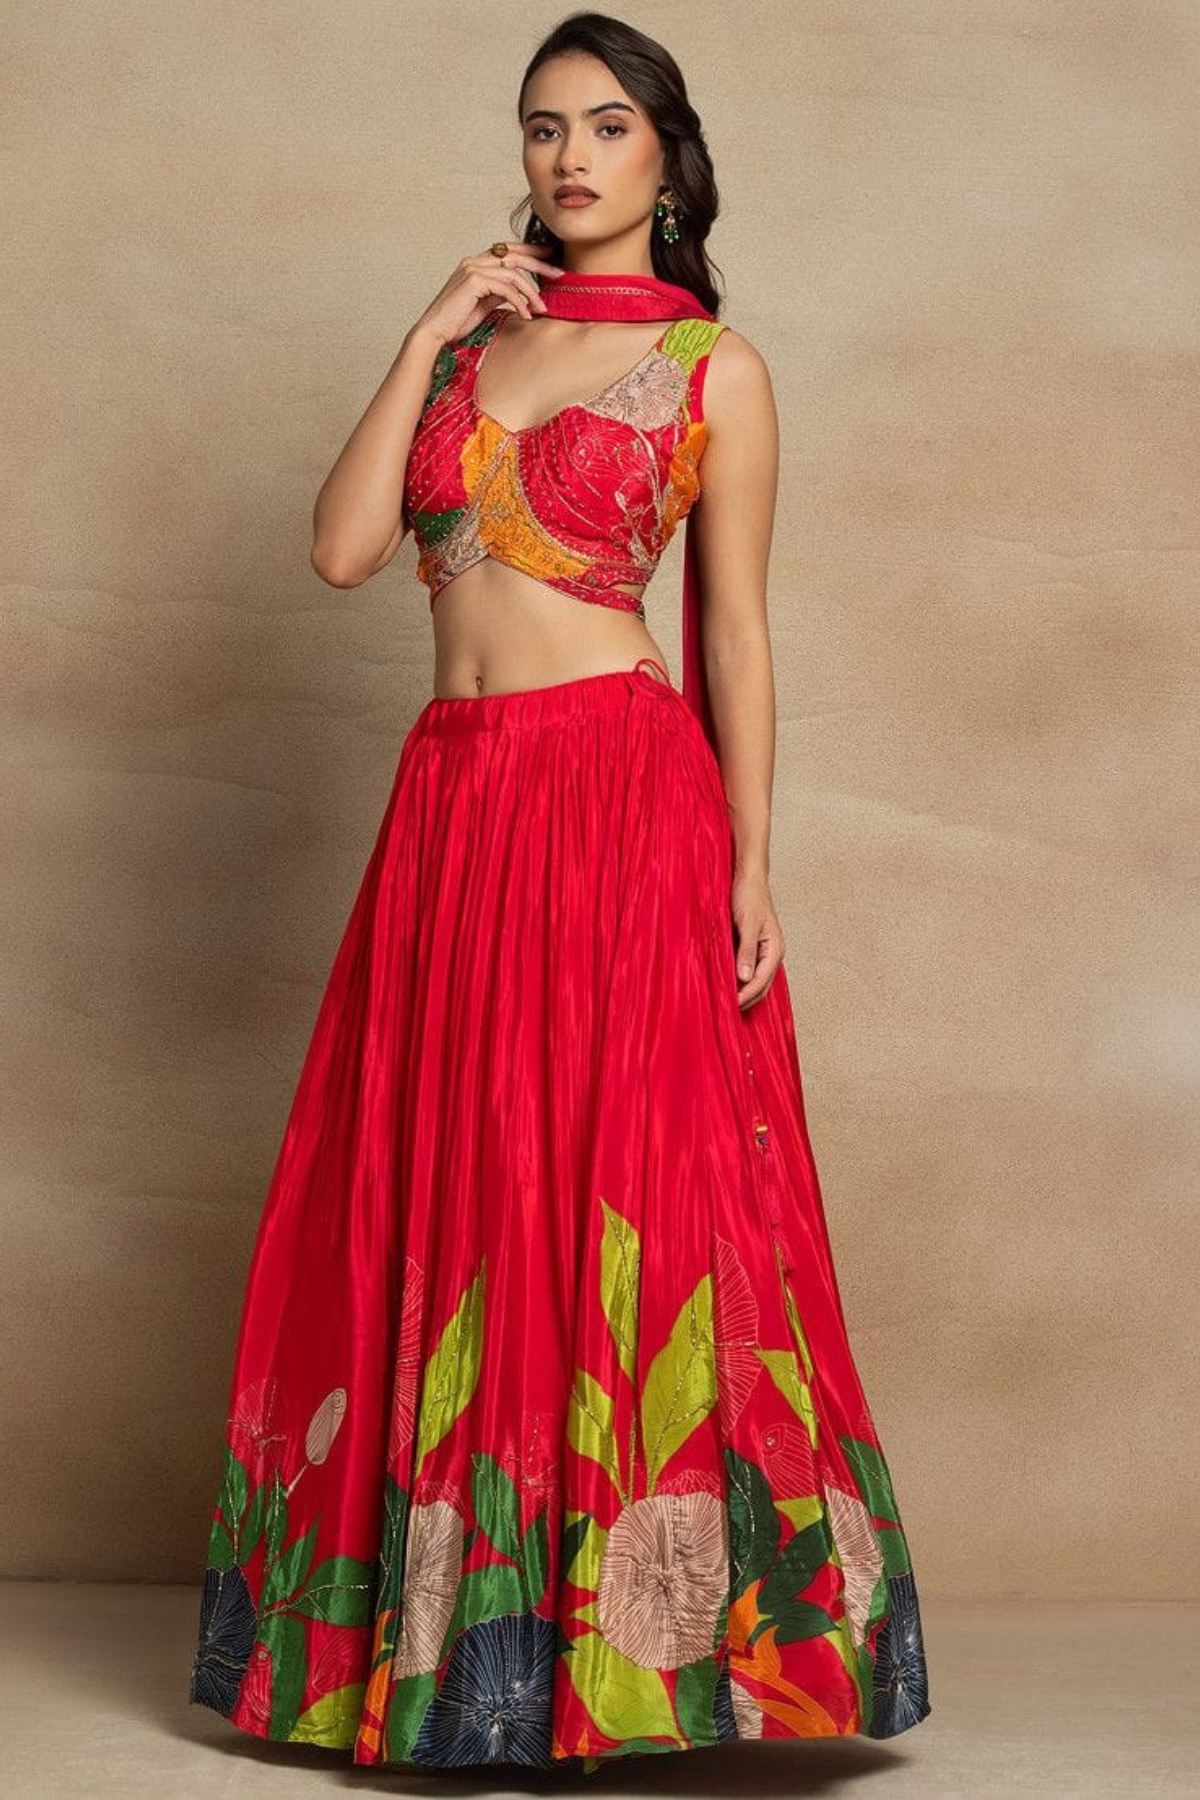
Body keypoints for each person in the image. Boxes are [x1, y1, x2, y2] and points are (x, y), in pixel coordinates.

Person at [187, 10, 932, 1776]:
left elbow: (733, 632)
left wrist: (751, 858)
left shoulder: (714, 369)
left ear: (667, 156)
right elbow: (342, 550)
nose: (570, 156)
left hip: (615, 796)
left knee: (615, 1190)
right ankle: (461, 1657)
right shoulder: (472, 347)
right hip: (452, 806)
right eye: (543, 127)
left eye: (606, 125)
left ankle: (644, 1656)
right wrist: (424, 334)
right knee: (447, 1189)